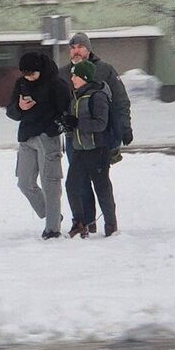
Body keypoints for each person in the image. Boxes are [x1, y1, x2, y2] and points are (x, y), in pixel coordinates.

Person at [65, 31, 133, 233]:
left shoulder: (105, 71)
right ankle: (86, 222)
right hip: (74, 140)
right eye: (72, 47)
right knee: (78, 183)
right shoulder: (65, 73)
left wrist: (125, 128)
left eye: (80, 47)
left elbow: (120, 101)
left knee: (100, 183)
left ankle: (110, 224)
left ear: (88, 49)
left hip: (98, 140)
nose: (76, 51)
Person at [5, 51, 71, 239]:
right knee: (24, 182)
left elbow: (64, 112)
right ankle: (52, 214)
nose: (29, 77)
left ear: (41, 69)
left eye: (32, 73)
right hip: (26, 137)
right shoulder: (22, 83)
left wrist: (53, 127)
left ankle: (52, 229)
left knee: (50, 183)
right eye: (25, 74)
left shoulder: (57, 85)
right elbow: (11, 111)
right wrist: (20, 108)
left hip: (47, 138)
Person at [62, 59, 118, 238]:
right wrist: (67, 124)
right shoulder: (76, 96)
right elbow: (76, 122)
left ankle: (111, 225)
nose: (72, 78)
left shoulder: (97, 95)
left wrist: (77, 123)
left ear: (85, 77)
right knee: (72, 186)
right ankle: (79, 223)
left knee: (102, 188)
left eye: (75, 75)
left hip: (97, 149)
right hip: (79, 149)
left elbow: (101, 124)